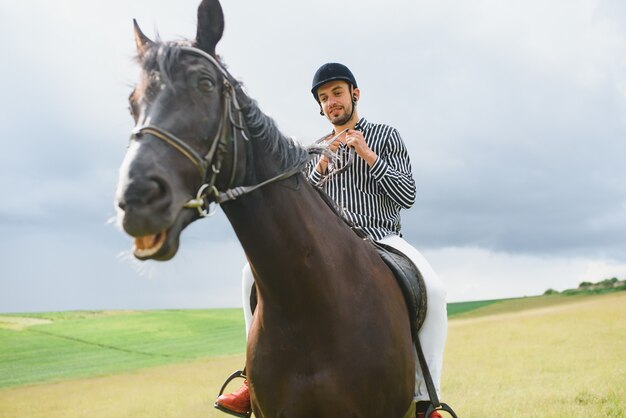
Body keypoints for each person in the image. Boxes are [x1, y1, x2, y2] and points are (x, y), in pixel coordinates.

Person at [215, 63, 448, 418]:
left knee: (434, 289)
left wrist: (368, 156)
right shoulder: (316, 149)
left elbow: (408, 195)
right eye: (324, 99)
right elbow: (297, 207)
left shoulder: (386, 135)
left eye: (337, 93)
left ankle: (426, 401)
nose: (331, 103)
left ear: (355, 94)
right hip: (327, 247)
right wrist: (317, 171)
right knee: (251, 273)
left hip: (382, 238)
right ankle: (251, 380)